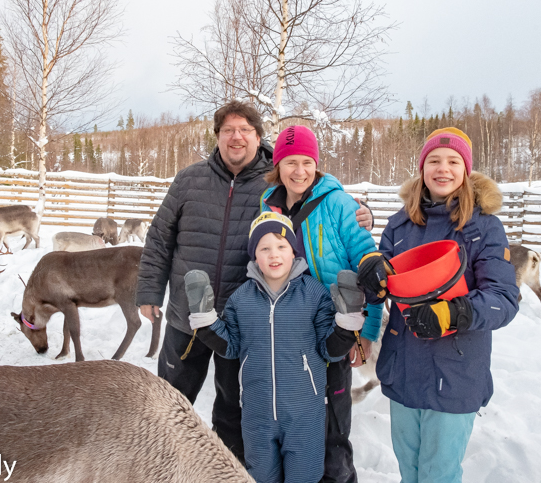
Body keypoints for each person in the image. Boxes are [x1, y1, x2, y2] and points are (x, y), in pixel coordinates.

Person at [137, 101, 372, 464]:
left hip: (244, 319)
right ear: (217, 136)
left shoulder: (272, 186)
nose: (236, 137)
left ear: (259, 137)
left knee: (234, 408)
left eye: (245, 130)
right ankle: (159, 465)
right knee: (169, 400)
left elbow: (316, 192)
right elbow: (159, 238)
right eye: (228, 130)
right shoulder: (189, 180)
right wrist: (150, 291)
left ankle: (228, 471)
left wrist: (356, 210)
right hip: (187, 314)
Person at [356, 127, 519, 483]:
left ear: (466, 169)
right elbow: (383, 283)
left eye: (453, 161)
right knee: (410, 472)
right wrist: (373, 275)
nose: (442, 169)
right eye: (434, 160)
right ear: (422, 167)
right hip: (404, 369)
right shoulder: (400, 224)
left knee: (438, 475)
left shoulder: (484, 227)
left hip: (455, 370)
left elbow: (504, 299)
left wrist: (453, 312)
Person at [186, 212, 364, 483]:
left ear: (293, 252)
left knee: (304, 477)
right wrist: (205, 319)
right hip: (257, 414)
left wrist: (347, 322)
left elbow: (330, 349)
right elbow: (230, 346)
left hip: (305, 414)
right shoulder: (241, 299)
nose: (274, 255)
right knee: (260, 477)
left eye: (281, 246)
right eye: (264, 248)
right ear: (254, 255)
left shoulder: (314, 294)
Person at [260, 125, 382, 483]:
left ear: (317, 164)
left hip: (334, 337)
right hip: (286, 340)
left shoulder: (339, 204)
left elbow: (368, 267)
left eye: (307, 162)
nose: (299, 171)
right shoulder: (268, 206)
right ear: (278, 165)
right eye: (290, 162)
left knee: (332, 440)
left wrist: (366, 333)